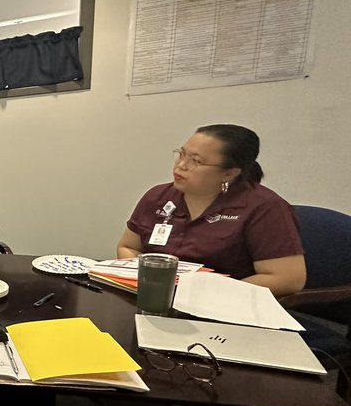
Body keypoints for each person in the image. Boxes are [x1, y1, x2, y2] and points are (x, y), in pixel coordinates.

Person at [118, 124, 305, 297]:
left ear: (229, 173)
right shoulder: (158, 196)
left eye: (196, 161)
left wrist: (211, 293)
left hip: (226, 307)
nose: (181, 165)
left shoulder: (264, 207)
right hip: (157, 296)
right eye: (181, 154)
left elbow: (288, 279)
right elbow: (129, 247)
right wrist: (144, 276)